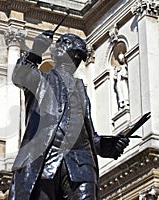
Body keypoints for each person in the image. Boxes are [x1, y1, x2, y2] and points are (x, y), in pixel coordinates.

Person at [8, 31, 130, 200]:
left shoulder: (81, 89)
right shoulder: (41, 79)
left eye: (64, 42)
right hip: (44, 161)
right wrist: (36, 50)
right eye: (59, 41)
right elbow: (19, 76)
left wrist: (109, 145)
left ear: (76, 54)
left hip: (81, 165)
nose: (58, 44)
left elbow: (89, 137)